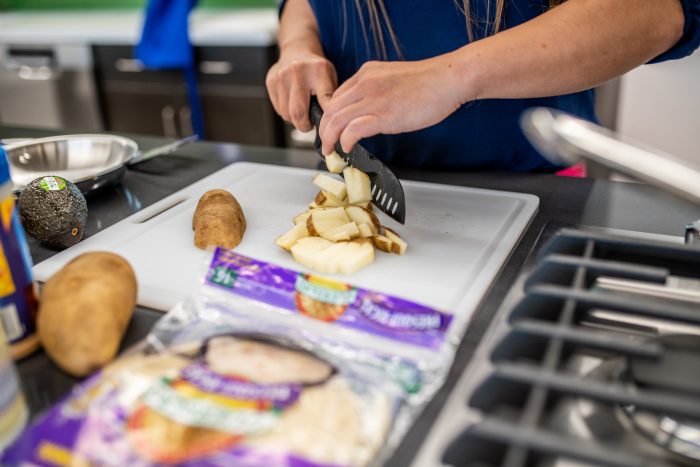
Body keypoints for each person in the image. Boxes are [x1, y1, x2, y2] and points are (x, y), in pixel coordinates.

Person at [266, 0, 700, 171]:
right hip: (374, 179)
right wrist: (298, 44)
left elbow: (659, 11)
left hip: (533, 188)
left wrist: (450, 78)